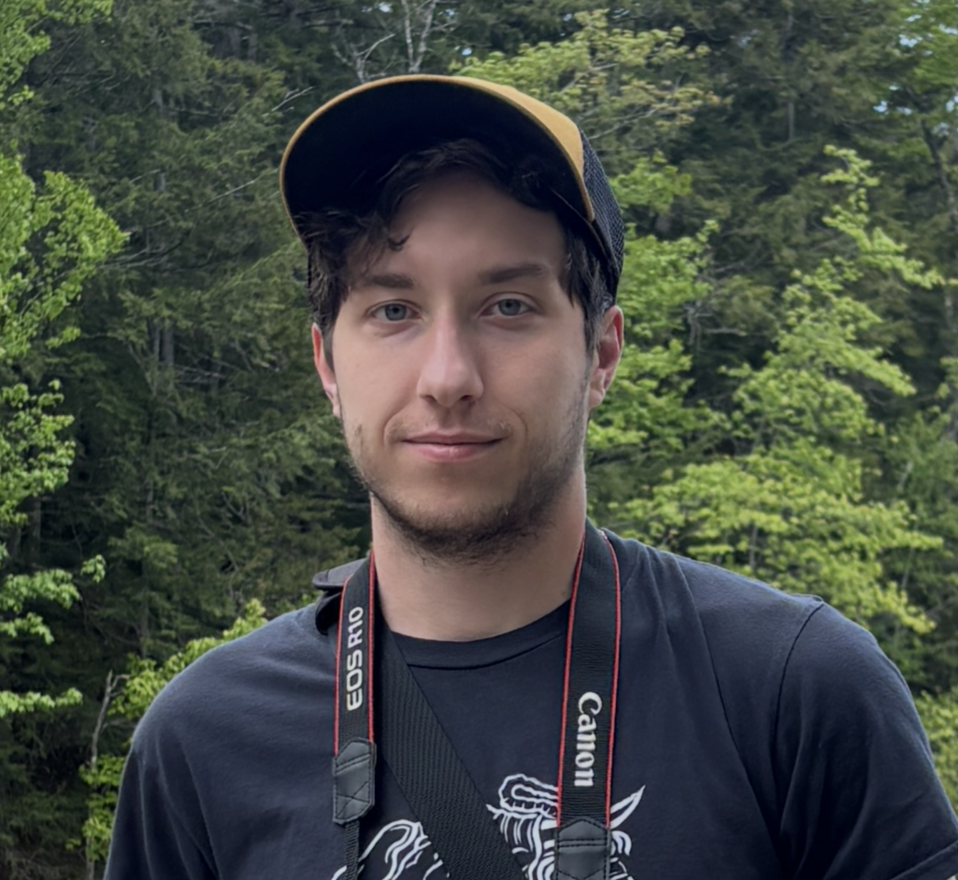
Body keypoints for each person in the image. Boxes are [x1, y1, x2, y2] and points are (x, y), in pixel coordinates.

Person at [105, 75, 958, 880]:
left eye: (507, 306)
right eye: (393, 310)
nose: (447, 377)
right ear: (328, 363)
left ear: (601, 354)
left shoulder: (793, 693)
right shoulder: (202, 741)